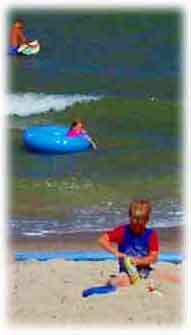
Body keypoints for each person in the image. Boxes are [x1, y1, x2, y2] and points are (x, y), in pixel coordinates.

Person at [98, 200, 159, 287]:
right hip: (127, 272)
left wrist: (139, 261)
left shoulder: (151, 234)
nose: (137, 224)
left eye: (140, 222)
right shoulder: (122, 231)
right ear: (129, 217)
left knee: (169, 277)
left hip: (146, 270)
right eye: (134, 220)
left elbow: (153, 257)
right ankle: (110, 281)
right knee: (120, 281)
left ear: (147, 220)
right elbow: (102, 240)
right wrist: (116, 252)